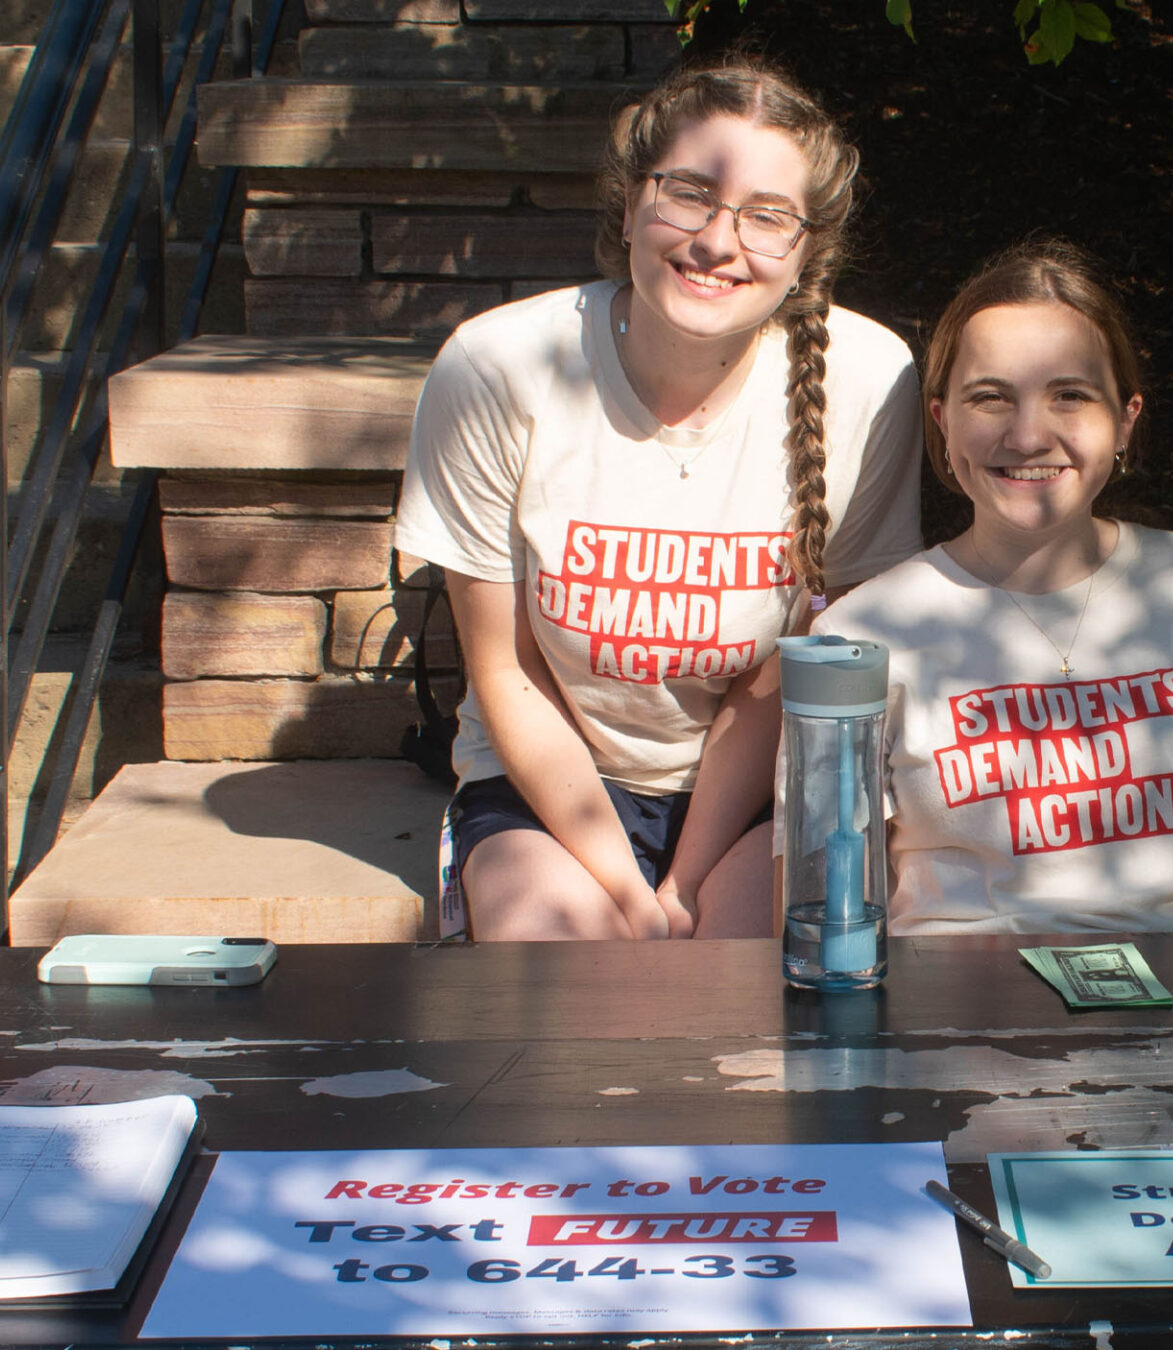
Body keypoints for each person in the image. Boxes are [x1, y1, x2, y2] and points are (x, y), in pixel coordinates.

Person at [394, 59, 924, 941]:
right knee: (570, 1018)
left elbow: (792, 672)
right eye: (689, 192)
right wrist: (629, 894)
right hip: (541, 790)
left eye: (767, 216)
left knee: (763, 1017)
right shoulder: (496, 368)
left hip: (756, 795)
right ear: (632, 202)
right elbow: (506, 672)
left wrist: (683, 881)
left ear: (808, 250)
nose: (719, 242)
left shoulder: (866, 381)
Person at [799, 239, 1173, 933]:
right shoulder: (864, 636)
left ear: (1125, 420)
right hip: (960, 1020)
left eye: (1071, 397)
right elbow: (828, 903)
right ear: (942, 423)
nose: (1029, 435)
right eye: (990, 397)